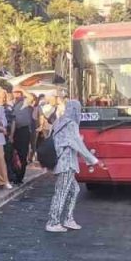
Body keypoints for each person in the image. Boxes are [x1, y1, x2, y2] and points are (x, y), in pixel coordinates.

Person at [46, 99, 102, 233]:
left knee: (74, 190)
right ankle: (53, 222)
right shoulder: (71, 124)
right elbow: (78, 145)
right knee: (61, 193)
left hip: (60, 161)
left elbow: (53, 138)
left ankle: (68, 218)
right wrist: (94, 160)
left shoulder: (59, 121)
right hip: (67, 163)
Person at [10, 89, 33, 184]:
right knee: (13, 154)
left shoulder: (25, 102)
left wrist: (22, 88)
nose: (17, 94)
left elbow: (31, 97)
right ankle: (14, 174)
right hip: (14, 130)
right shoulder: (12, 103)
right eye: (15, 92)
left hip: (23, 130)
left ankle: (19, 177)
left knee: (22, 154)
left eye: (18, 92)